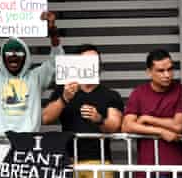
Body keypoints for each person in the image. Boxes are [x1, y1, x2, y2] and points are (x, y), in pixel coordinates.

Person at [0, 10, 63, 175]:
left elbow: (57, 60)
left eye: (18, 54)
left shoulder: (36, 77)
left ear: (26, 57)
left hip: (29, 146)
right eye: (9, 54)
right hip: (0, 146)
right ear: (3, 57)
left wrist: (52, 29)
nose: (13, 57)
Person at [42, 44, 124, 178]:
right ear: (77, 64)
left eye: (95, 61)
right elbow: (45, 118)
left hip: (99, 162)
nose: (92, 64)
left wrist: (99, 119)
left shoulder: (110, 94)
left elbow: (115, 126)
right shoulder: (65, 90)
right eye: (87, 61)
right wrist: (64, 98)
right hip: (68, 161)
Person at [122, 49, 182, 171]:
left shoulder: (181, 91)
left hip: (175, 165)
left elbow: (178, 126)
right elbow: (127, 126)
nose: (167, 75)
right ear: (149, 72)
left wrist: (147, 118)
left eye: (170, 69)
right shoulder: (139, 93)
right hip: (147, 166)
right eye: (161, 71)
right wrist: (161, 132)